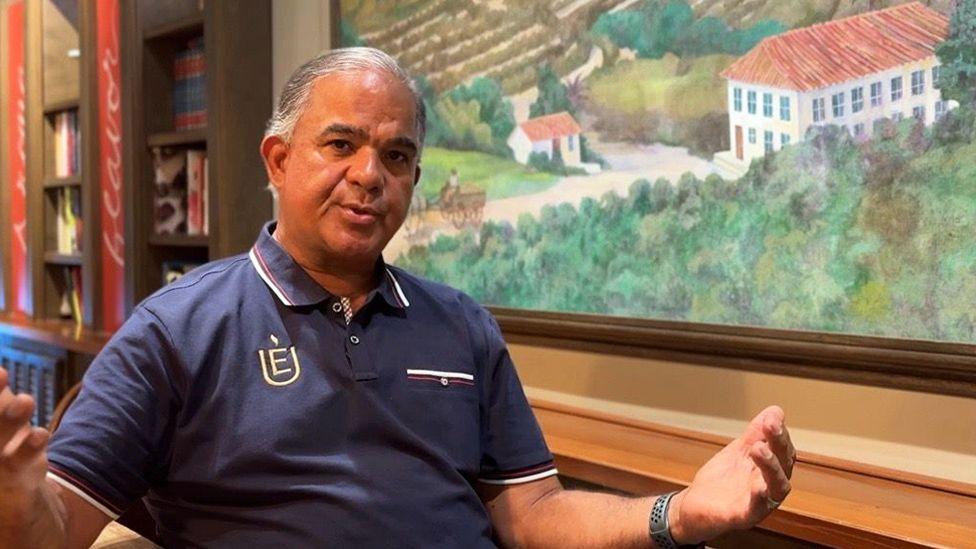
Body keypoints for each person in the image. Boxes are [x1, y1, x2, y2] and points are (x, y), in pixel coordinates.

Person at [0, 47, 794, 548]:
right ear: (277, 160)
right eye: (340, 144)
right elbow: (52, 530)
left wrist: (679, 513)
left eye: (397, 153)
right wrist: (9, 495)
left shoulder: (463, 324)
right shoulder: (175, 330)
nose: (370, 174)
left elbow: (534, 514)